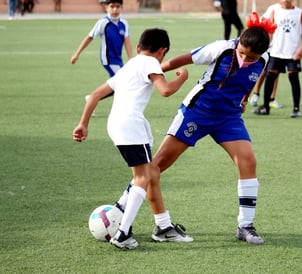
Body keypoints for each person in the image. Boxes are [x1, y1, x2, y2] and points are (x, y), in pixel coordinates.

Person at [115, 12, 276, 245]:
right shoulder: (220, 49)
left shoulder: (264, 59)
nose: (244, 58)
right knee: (156, 166)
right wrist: (153, 73)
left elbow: (250, 80)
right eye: (241, 52)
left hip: (228, 118)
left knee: (248, 161)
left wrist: (243, 100)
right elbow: (183, 60)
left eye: (250, 57)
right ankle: (121, 205)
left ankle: (245, 226)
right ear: (238, 41)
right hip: (197, 112)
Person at [72, 28, 189, 250]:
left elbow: (96, 95)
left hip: (115, 125)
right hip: (130, 125)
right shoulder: (151, 62)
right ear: (162, 51)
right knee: (143, 177)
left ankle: (155, 223)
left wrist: (83, 124)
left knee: (150, 172)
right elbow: (165, 90)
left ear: (137, 47)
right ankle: (123, 233)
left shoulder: (130, 65)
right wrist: (182, 78)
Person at [71, 0, 133, 112]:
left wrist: (131, 59)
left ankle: (92, 98)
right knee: (123, 82)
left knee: (115, 85)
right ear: (106, 8)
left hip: (118, 60)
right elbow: (89, 37)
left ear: (121, 7)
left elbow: (127, 41)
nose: (115, 9)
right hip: (108, 59)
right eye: (112, 6)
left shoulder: (124, 23)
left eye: (118, 6)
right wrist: (77, 54)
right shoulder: (103, 23)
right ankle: (120, 108)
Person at [253, 0, 302, 118]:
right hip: (276, 51)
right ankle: (266, 107)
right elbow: (268, 29)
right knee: (270, 77)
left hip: (292, 53)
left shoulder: (299, 12)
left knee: (293, 78)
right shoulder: (274, 10)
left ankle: (296, 109)